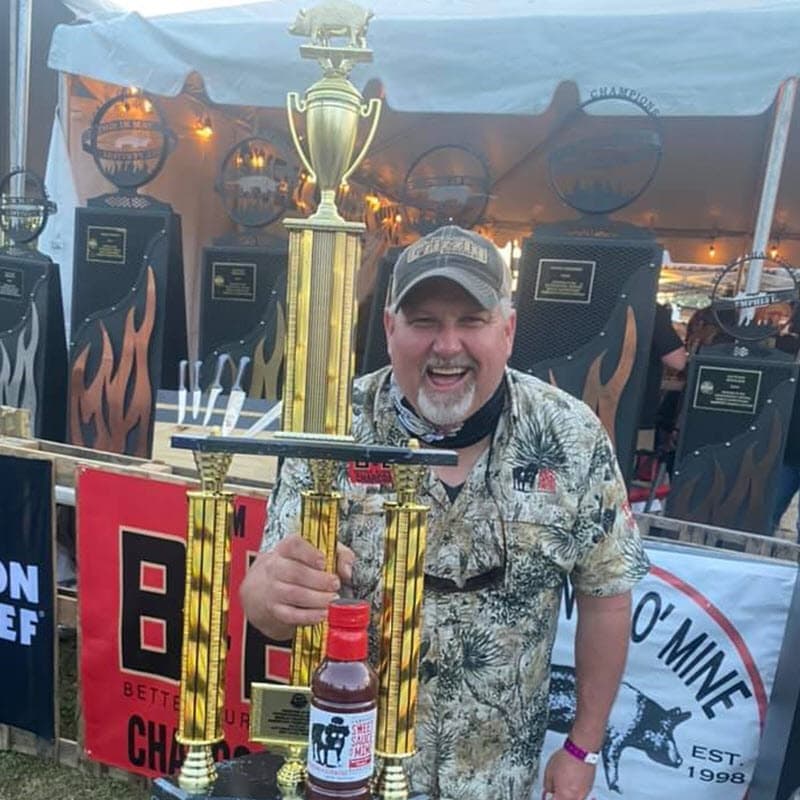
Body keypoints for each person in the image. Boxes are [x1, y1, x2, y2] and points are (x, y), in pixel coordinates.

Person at [241, 225, 650, 800]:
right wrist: (263, 596)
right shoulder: (330, 429)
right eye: (425, 321)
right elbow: (272, 607)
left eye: (471, 321)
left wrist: (584, 745)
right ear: (389, 329)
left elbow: (605, 595)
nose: (447, 345)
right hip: (351, 772)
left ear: (507, 330)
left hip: (498, 774)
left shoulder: (571, 435)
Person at [637, 303, 687, 452]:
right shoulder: (649, 307)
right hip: (635, 413)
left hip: (577, 409)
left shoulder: (584, 295)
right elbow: (678, 361)